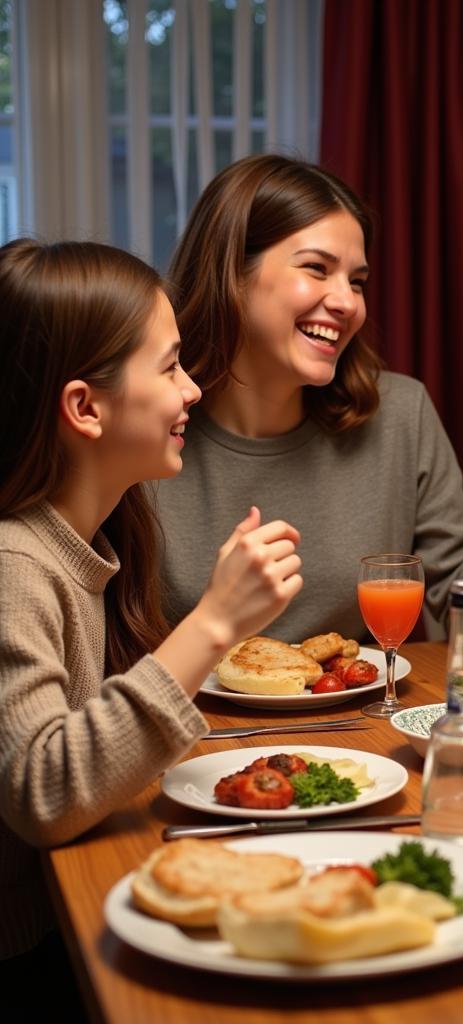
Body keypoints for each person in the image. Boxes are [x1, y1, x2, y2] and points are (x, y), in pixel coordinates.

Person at [0, 241, 303, 1010]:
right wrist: (214, 622)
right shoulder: (15, 566)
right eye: (169, 367)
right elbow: (43, 793)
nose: (194, 389)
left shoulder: (89, 544)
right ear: (84, 407)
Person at [156, 154, 463, 642]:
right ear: (231, 272)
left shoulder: (400, 414)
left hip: (363, 715)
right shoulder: (147, 426)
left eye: (357, 281)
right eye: (316, 268)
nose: (348, 302)